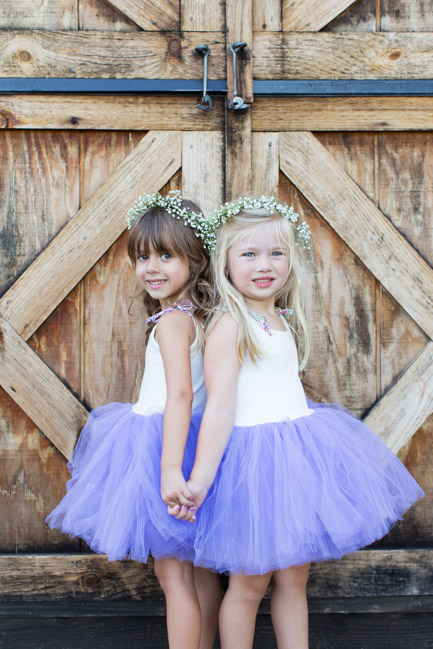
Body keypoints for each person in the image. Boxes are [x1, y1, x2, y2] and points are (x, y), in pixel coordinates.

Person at [172, 196, 425, 649]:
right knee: (248, 587)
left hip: (300, 461)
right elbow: (221, 408)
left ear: (291, 258)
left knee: (294, 581)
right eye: (248, 254)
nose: (264, 264)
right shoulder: (231, 325)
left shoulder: (280, 317)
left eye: (276, 253)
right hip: (255, 470)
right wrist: (201, 481)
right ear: (225, 263)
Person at [46, 191, 221, 649]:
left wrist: (168, 470)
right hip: (194, 443)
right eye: (142, 257)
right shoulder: (199, 316)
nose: (151, 268)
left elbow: (180, 394)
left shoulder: (170, 322)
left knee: (172, 574)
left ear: (196, 259)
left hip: (163, 448)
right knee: (198, 569)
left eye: (166, 255)